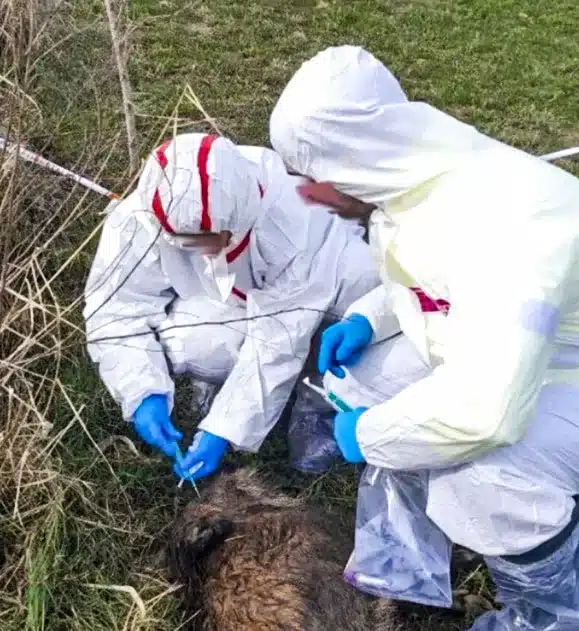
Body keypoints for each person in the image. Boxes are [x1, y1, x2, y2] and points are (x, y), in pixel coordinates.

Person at [269, 45, 579, 631]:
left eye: (312, 175)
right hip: (536, 351)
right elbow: (429, 283)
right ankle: (411, 543)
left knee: (474, 474)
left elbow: (486, 413)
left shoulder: (509, 225)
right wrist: (370, 316)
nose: (306, 193)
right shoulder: (418, 181)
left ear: (354, 158)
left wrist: (370, 437)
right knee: (364, 376)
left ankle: (549, 623)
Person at [83, 132, 380, 483]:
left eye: (213, 240)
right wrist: (142, 390)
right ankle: (215, 388)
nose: (204, 252)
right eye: (190, 243)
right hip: (237, 302)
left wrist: (224, 429)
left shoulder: (289, 219)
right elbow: (115, 311)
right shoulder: (139, 219)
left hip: (326, 280)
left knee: (364, 284)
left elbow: (279, 339)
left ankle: (319, 402)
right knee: (193, 343)